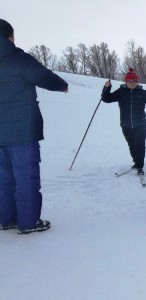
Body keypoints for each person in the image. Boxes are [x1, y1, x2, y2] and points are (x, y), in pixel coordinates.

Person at [0, 19, 68, 234]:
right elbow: (44, 76)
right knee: (25, 176)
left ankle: (6, 218)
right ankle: (28, 222)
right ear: (10, 37)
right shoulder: (17, 58)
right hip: (21, 131)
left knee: (3, 178)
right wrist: (62, 85)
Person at [101, 68, 146, 175]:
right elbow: (106, 99)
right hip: (126, 124)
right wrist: (106, 88)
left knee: (140, 144)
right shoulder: (120, 92)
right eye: (129, 81)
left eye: (134, 81)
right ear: (126, 82)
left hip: (140, 124)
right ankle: (136, 162)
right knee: (132, 144)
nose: (132, 83)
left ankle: (139, 165)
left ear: (137, 82)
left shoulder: (143, 93)